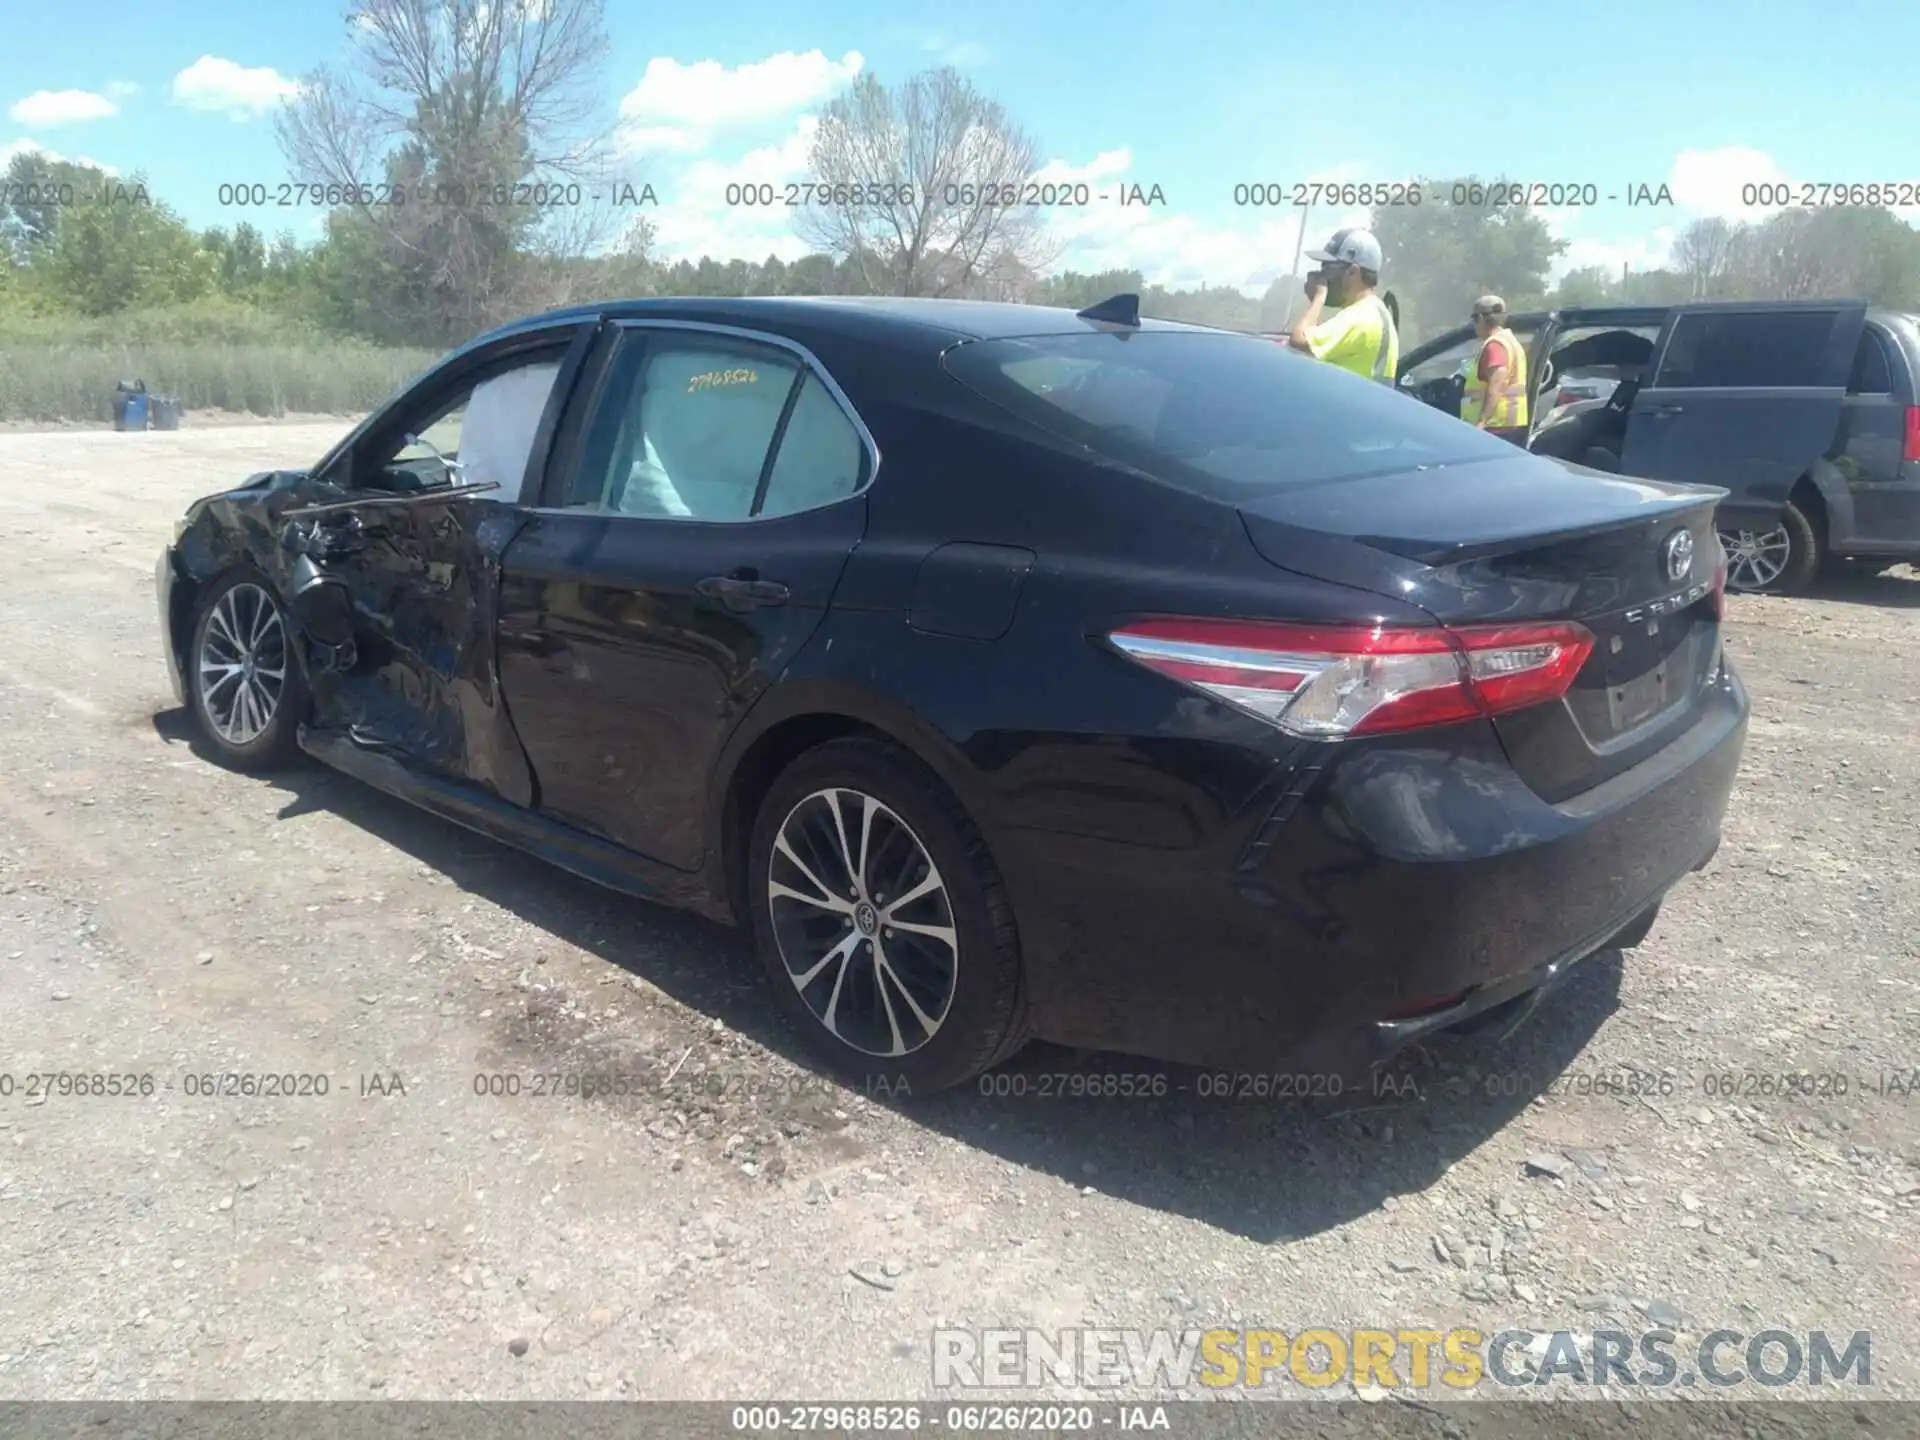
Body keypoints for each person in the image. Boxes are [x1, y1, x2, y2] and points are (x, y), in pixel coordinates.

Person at [1287, 228, 1399, 383]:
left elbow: (1298, 343)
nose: (1321, 276)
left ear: (1352, 273)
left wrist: (1318, 297)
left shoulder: (1361, 316)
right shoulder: (1376, 311)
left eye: (1327, 268)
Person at [1461, 295, 1530, 445]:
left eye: (1474, 320)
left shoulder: (1495, 345)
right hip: (1508, 424)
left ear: (1479, 318)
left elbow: (1497, 383)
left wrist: (1481, 422)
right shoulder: (1510, 341)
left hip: (1494, 427)